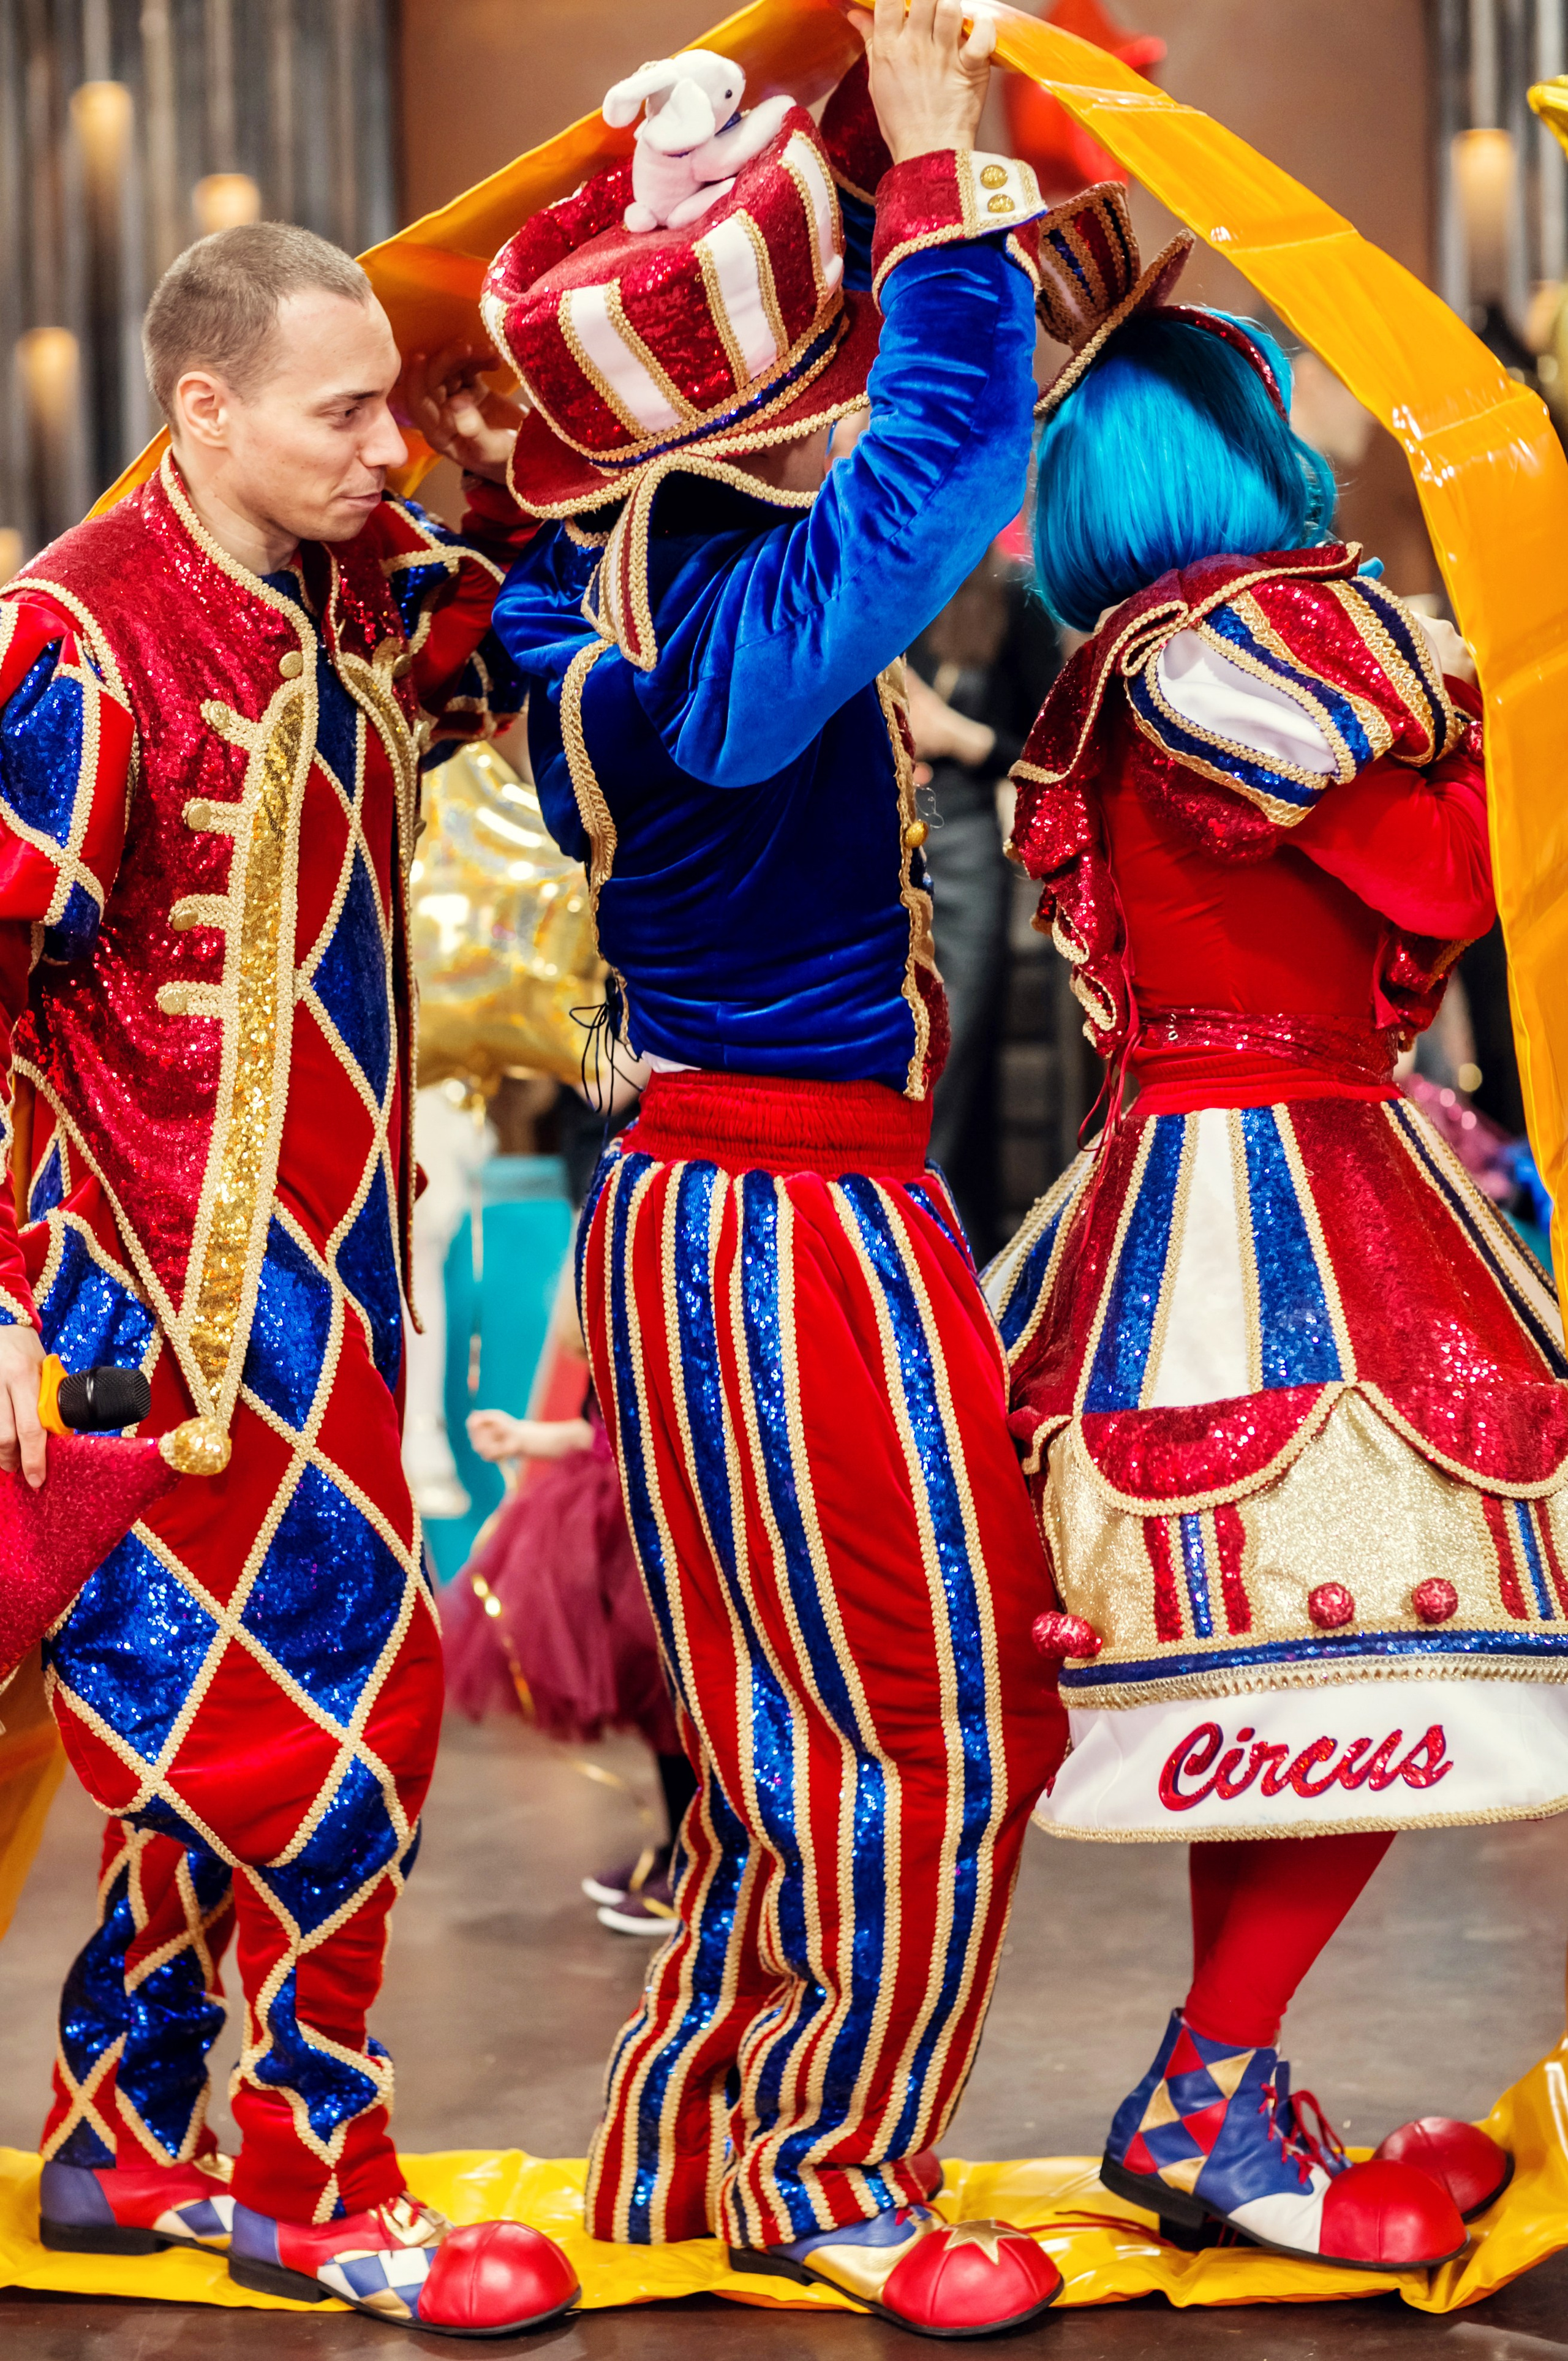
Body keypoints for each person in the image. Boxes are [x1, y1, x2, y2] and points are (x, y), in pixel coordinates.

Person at [478, 1, 1068, 2337]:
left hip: (721, 1201)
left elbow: (857, 532)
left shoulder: (569, 595)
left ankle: (696, 2142)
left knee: (765, 1716)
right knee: (915, 1713)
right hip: (774, 1211)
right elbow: (920, 483)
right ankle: (824, 2158)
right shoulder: (708, 621)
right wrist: (928, 181)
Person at [0, 221, 578, 2333]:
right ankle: (313, 2177)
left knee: (189, 1742)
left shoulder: (352, 577)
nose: (386, 445)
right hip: (164, 1307)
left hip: (328, 1279)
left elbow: (509, 623)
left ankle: (118, 2140)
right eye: (345, 411)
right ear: (203, 409)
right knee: (344, 1730)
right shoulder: (73, 639)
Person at [987, 185, 1549, 2270]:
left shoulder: (1125, 665)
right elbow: (1449, 879)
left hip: (1203, 1184)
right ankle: (1211, 2081)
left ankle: (1220, 2070)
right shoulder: (1243, 650)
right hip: (1287, 1191)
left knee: (1302, 1690)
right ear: (1240, 447)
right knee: (1393, 1654)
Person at [445, 1270, 698, 1937]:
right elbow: (599, 1432)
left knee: (684, 1707)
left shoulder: (670, 1331)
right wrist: (528, 1438)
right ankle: (678, 1847)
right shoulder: (610, 1340)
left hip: (665, 1527)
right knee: (657, 1709)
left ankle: (706, 1873)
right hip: (615, 1520)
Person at [905, 552, 1061, 1257]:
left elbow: (1052, 753)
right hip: (875, 842)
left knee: (946, 1057)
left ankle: (930, 1248)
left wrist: (959, 735)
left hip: (960, 847)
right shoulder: (875, 573)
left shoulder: (1010, 596)